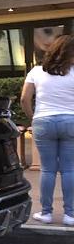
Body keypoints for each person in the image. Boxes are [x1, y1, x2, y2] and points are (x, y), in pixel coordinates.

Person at [21, 34, 74, 226]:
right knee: (69, 170)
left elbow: (24, 99)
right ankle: (70, 215)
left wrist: (33, 118)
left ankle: (46, 213)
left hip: (43, 121)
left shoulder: (36, 71)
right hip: (70, 121)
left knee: (48, 169)